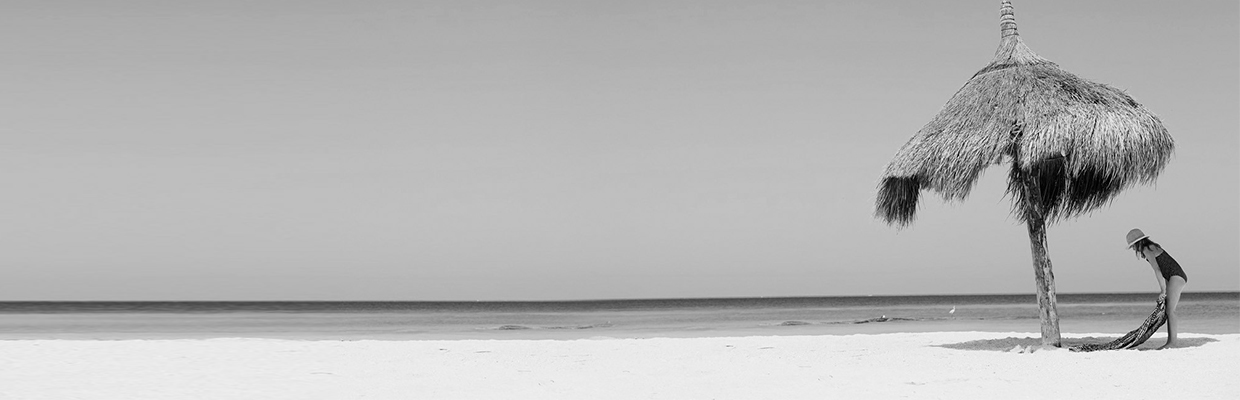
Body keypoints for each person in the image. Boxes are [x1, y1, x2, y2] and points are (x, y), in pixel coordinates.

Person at [1126, 228, 1187, 349]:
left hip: (1176, 276)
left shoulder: (1147, 249)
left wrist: (1163, 290)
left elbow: (1157, 270)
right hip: (1174, 277)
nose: (1133, 249)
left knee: (1170, 310)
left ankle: (1172, 343)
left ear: (1138, 243)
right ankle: (1171, 342)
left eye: (1133, 246)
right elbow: (1162, 269)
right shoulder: (1151, 247)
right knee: (1169, 310)